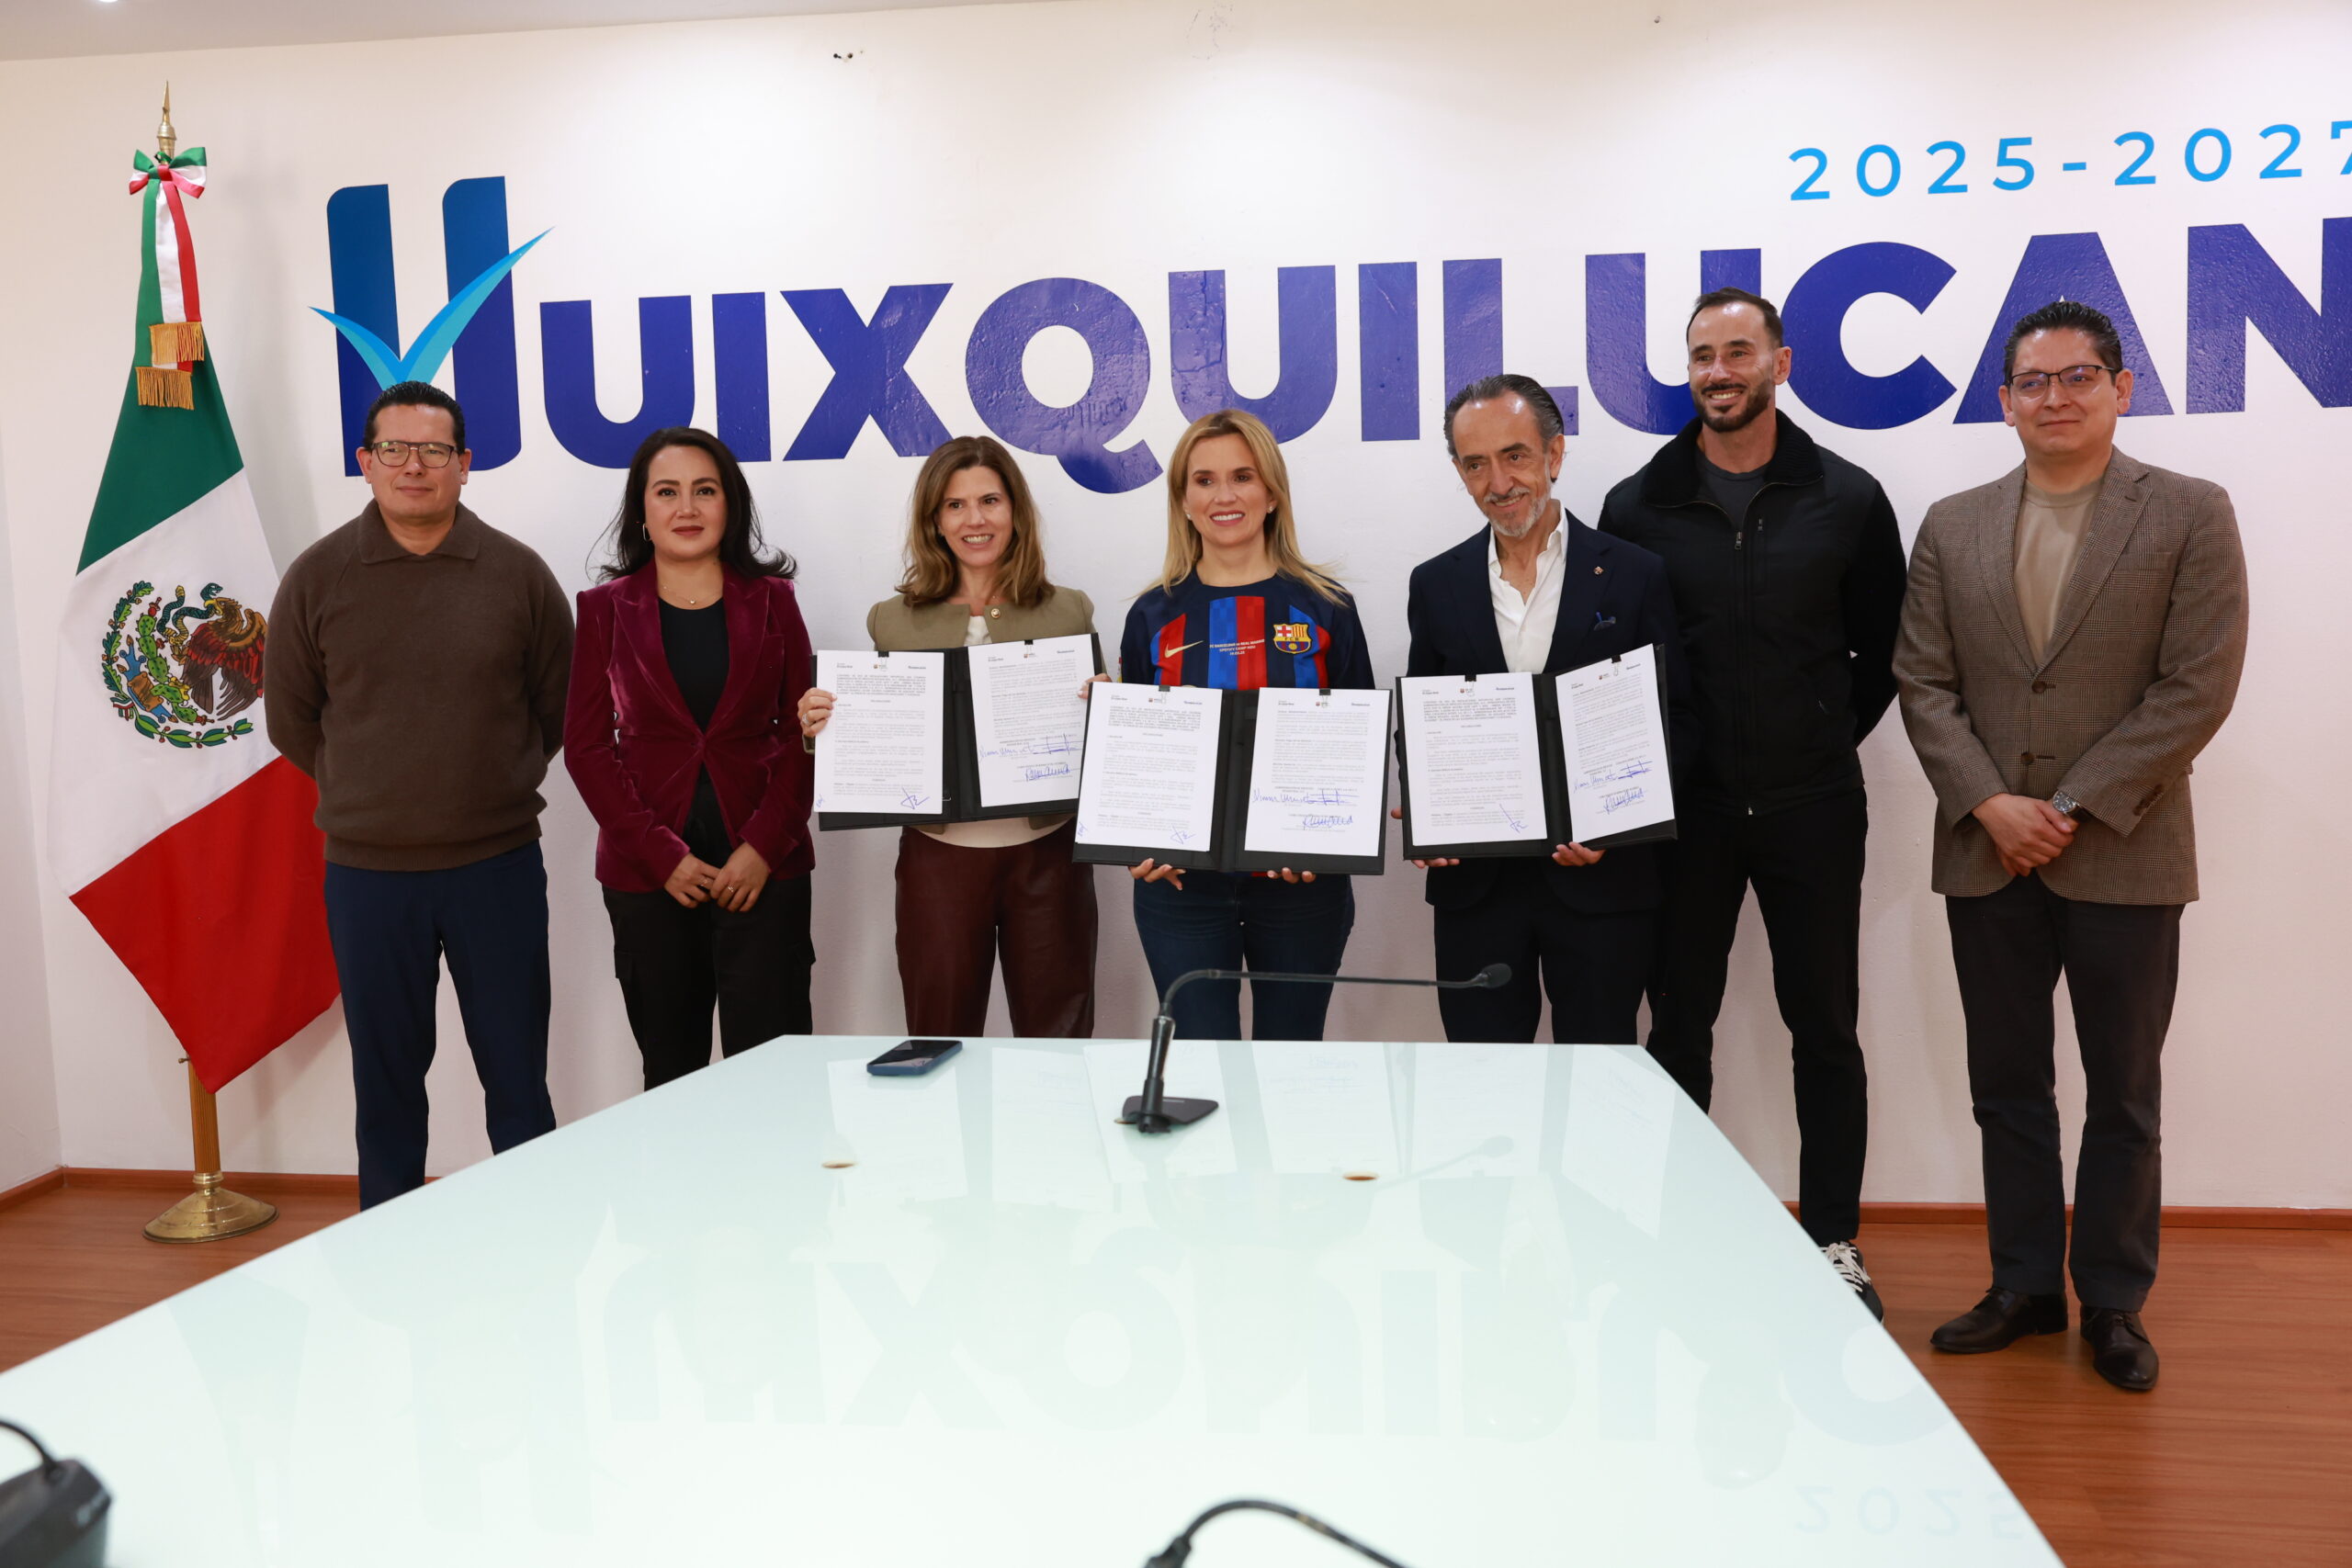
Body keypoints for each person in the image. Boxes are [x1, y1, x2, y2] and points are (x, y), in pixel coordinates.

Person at [1896, 301, 2246, 1390]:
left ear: (2119, 388)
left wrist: (2072, 804)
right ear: (2004, 402)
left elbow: (2196, 686)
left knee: (2123, 1092)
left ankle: (2113, 1301)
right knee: (2007, 1085)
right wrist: (1990, 804)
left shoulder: (2188, 512)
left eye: (2077, 376)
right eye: (2032, 382)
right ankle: (2022, 1288)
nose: (2054, 397)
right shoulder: (1951, 525)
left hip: (2127, 849)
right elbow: (1922, 681)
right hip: (1985, 850)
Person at [1597, 288, 1907, 1319]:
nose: (1719, 371)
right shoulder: (1637, 505)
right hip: (1684, 816)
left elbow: (1883, 653)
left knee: (1824, 1027)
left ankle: (1834, 1241)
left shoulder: (1848, 496)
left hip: (1813, 806)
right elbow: (1618, 667)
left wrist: (1815, 734)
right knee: (1678, 1026)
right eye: (1702, 355)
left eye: (1738, 351)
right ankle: (1674, 1226)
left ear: (1781, 360)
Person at [266, 381, 572, 1209]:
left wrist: (487, 782)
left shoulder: (518, 574)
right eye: (394, 449)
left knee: (517, 1076)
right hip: (368, 877)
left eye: (434, 450)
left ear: (464, 464)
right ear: (365, 462)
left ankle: (536, 1235)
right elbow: (291, 720)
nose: (414, 466)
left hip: (497, 868)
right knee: (388, 1082)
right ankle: (387, 1249)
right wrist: (371, 790)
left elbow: (556, 708)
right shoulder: (318, 577)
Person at [1402, 374, 1690, 1047]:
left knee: (1598, 1078)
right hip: (1476, 889)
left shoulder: (1635, 573)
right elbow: (1422, 719)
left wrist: (1619, 824)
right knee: (1483, 1084)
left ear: (1554, 454)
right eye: (1476, 463)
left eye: (1516, 456)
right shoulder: (1436, 584)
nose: (1499, 482)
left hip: (1602, 882)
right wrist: (1425, 805)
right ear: (1460, 472)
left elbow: (1678, 721)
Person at [796, 435, 1098, 1038]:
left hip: (1049, 856)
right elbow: (881, 735)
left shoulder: (1069, 611)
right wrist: (822, 724)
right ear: (934, 520)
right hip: (939, 860)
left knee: (1058, 1043)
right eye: (955, 505)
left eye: (989, 500)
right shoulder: (892, 619)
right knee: (938, 1038)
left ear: (1015, 510)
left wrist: (1106, 707)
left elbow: (1100, 748)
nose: (974, 519)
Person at [566, 426, 816, 1090]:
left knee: (775, 1079)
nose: (687, 508)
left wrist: (763, 847)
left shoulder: (775, 601)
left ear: (729, 503)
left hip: (764, 865)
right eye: (667, 492)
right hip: (649, 874)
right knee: (672, 1075)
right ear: (641, 511)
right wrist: (661, 855)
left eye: (705, 490)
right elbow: (586, 748)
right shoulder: (603, 610)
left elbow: (804, 735)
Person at [1116, 407, 1374, 1042]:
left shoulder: (1326, 608)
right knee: (1202, 1068)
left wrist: (1324, 844)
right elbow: (1137, 762)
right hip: (1181, 890)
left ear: (1272, 493)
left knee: (1291, 1064)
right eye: (1203, 480)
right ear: (1183, 500)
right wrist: (1135, 844)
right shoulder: (1151, 615)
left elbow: (1357, 751)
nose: (1223, 496)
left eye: (1242, 476)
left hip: (1301, 890)